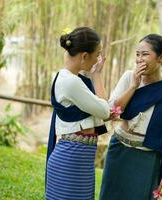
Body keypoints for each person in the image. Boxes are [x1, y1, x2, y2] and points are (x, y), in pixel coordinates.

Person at [100, 34, 162, 200]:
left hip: (147, 156)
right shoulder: (128, 77)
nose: (139, 59)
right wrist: (133, 86)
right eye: (137, 54)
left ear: (161, 57)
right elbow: (111, 112)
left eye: (145, 54)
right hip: (119, 149)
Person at [45, 27, 110, 200]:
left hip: (78, 158)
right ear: (84, 56)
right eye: (97, 54)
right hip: (71, 159)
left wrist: (95, 75)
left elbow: (103, 108)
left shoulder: (65, 77)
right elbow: (104, 110)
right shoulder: (72, 82)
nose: (98, 59)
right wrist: (97, 76)